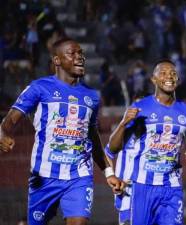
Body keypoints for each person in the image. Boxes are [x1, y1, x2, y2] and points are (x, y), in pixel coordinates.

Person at [0, 38, 124, 225]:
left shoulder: (92, 96)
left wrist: (108, 172)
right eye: (72, 53)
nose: (79, 57)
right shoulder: (39, 88)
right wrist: (3, 133)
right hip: (43, 177)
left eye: (81, 53)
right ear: (57, 60)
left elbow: (92, 137)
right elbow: (10, 119)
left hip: (79, 176)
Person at [108, 59, 186, 225]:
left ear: (178, 80)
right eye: (163, 73)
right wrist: (123, 123)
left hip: (172, 187)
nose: (169, 77)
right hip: (143, 187)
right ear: (154, 79)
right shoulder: (141, 107)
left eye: (173, 73)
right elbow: (113, 147)